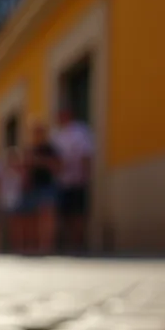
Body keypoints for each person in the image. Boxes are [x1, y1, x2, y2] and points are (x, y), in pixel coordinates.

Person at [52, 106, 95, 252]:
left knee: (78, 212)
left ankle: (79, 242)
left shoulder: (80, 131)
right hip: (62, 181)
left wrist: (85, 174)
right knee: (66, 213)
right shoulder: (57, 135)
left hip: (78, 179)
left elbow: (86, 154)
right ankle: (70, 242)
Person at [25, 123, 61, 254]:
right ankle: (36, 245)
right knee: (34, 216)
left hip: (47, 185)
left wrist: (39, 161)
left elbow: (57, 166)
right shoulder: (31, 149)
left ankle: (47, 245)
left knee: (48, 216)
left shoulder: (50, 149)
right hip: (34, 186)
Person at [0, 148, 25, 253]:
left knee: (17, 224)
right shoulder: (3, 171)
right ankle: (2, 245)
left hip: (17, 198)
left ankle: (18, 246)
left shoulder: (20, 171)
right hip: (5, 199)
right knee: (4, 224)